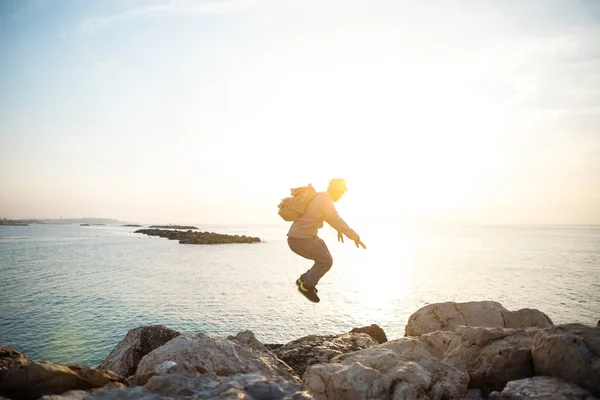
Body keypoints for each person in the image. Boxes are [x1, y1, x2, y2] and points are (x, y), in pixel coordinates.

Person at [287, 178, 366, 303]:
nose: (341, 196)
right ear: (335, 190)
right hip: (301, 240)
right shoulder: (325, 200)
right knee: (326, 261)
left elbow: (328, 217)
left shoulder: (319, 197)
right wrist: (355, 237)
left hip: (298, 238)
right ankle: (307, 286)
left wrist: (339, 230)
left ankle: (303, 280)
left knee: (322, 246)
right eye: (341, 193)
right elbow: (337, 220)